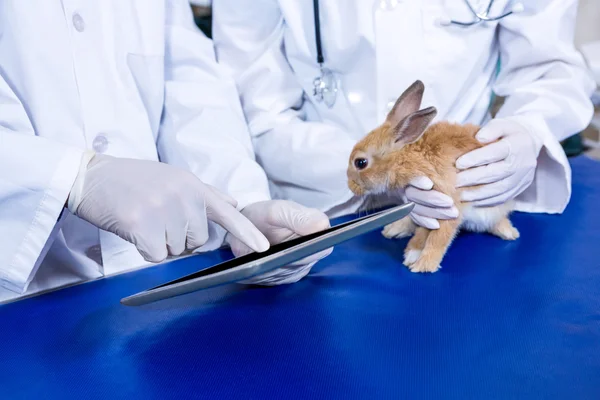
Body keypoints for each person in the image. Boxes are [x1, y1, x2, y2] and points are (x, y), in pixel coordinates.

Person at [0, 1, 331, 303]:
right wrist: (69, 177)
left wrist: (240, 205)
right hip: (19, 297)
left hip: (153, 281)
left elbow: (183, 76)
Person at [212, 0, 596, 228]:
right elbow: (259, 109)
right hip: (318, 208)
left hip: (461, 192)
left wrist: (528, 128)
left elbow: (548, 68)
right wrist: (386, 174)